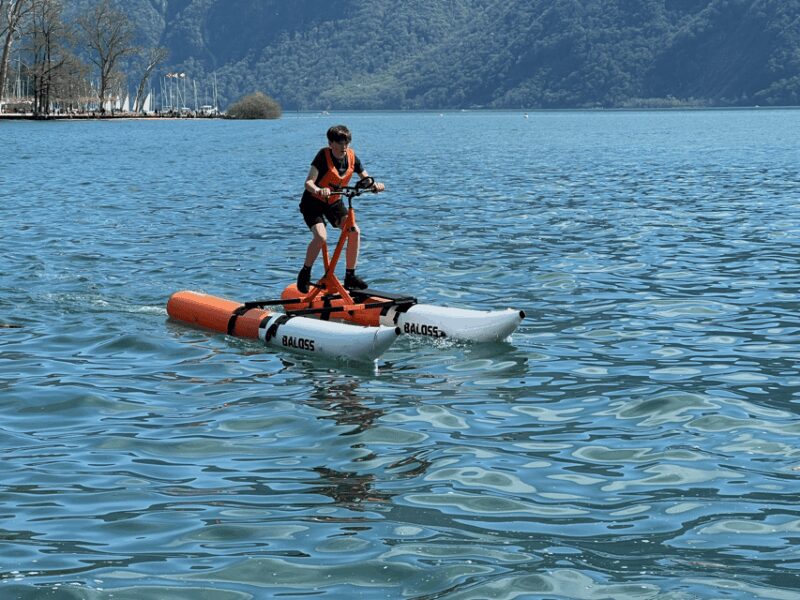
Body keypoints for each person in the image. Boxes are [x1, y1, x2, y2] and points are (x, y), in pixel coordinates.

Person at [296, 125, 384, 293]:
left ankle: (350, 276)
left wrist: (375, 186)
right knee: (321, 236)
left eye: (347, 142)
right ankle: (305, 272)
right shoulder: (323, 156)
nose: (345, 146)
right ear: (331, 143)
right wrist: (318, 189)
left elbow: (365, 179)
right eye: (340, 143)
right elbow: (308, 182)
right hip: (313, 202)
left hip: (334, 202)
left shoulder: (351, 157)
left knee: (354, 231)